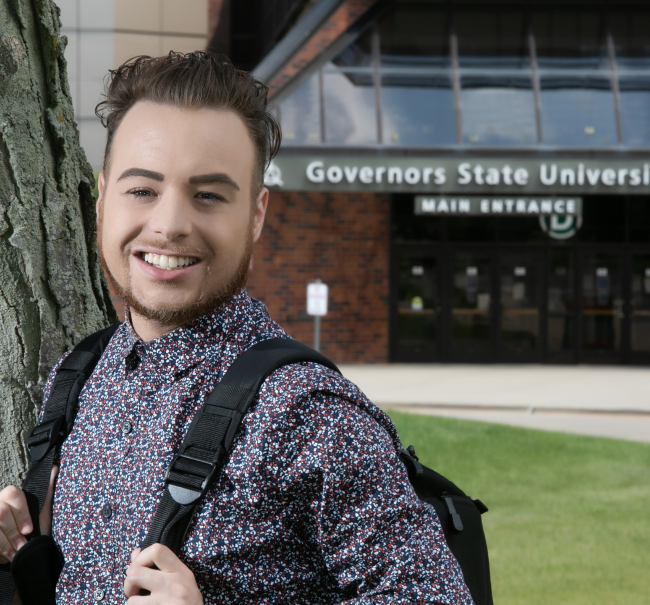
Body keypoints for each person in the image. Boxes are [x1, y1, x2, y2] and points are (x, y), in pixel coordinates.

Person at [0, 51, 473, 604]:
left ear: (256, 213)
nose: (170, 224)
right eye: (142, 189)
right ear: (103, 199)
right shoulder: (76, 377)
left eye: (208, 195)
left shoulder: (310, 417)